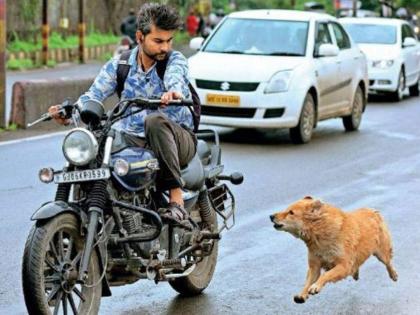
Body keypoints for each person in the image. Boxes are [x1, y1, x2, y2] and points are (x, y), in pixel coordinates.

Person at [49, 3, 197, 222]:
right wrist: (68, 112)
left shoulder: (174, 61)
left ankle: (176, 199)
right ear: (140, 37)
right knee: (95, 139)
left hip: (176, 139)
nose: (165, 47)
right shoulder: (120, 64)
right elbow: (94, 95)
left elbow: (175, 79)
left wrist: (173, 92)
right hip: (131, 138)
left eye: (169, 41)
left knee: (154, 120)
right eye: (158, 41)